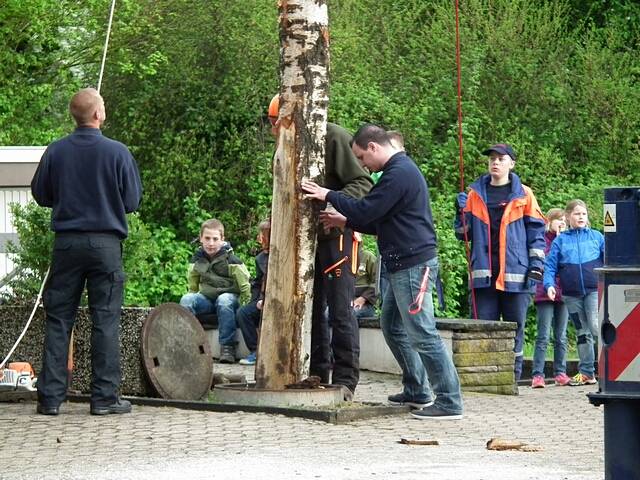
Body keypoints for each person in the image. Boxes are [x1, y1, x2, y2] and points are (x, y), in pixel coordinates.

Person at [302, 123, 463, 420]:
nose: (363, 165)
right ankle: (417, 390)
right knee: (393, 328)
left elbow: (366, 209)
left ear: (374, 147)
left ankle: (450, 401)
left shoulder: (399, 173)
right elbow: (377, 222)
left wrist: (328, 194)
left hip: (413, 265)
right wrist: (345, 222)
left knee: (423, 333)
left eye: (363, 158)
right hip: (396, 264)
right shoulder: (394, 173)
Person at [30, 87, 143, 416]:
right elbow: (132, 201)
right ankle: (104, 399)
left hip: (66, 244)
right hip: (105, 245)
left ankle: (50, 399)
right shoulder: (118, 152)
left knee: (58, 320)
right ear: (98, 114)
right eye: (103, 105)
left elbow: (41, 194)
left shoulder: (56, 151)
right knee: (105, 320)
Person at [268, 95, 373, 394]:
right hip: (303, 241)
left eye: (281, 122)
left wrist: (331, 201)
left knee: (341, 310)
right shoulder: (285, 148)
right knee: (309, 310)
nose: (277, 129)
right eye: (275, 124)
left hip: (337, 235)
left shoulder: (334, 137)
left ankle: (345, 380)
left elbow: (363, 184)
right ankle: (317, 373)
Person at [454, 143, 545, 381]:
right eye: (492, 159)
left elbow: (536, 232)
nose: (495, 162)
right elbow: (463, 233)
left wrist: (536, 266)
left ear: (511, 164)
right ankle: (485, 379)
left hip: (517, 275)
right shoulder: (474, 195)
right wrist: (460, 212)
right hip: (484, 276)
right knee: (483, 330)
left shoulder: (524, 195)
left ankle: (511, 379)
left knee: (515, 330)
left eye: (501, 159)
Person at [544, 199, 604, 386]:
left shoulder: (596, 237)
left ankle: (610, 369)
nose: (581, 217)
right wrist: (549, 285)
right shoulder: (560, 240)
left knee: (596, 326)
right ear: (568, 217)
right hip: (571, 294)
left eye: (584, 214)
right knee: (582, 332)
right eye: (577, 214)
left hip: (594, 290)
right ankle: (587, 373)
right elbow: (550, 266)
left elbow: (609, 261)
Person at [179, 218, 250, 364]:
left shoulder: (232, 260)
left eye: (215, 239)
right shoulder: (197, 259)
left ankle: (227, 347)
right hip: (207, 299)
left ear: (222, 239)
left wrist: (246, 307)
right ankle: (189, 345)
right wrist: (193, 296)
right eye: (207, 238)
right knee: (186, 299)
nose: (211, 243)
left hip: (228, 300)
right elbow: (193, 284)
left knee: (224, 300)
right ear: (201, 238)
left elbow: (245, 286)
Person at [531, 208, 571, 388]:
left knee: (561, 336)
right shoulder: (542, 239)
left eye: (564, 220)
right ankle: (537, 375)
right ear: (550, 221)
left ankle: (560, 373)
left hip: (564, 293)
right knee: (543, 335)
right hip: (544, 293)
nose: (562, 223)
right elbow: (545, 263)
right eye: (558, 220)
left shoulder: (567, 240)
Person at [236, 219, 270, 366]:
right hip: (262, 300)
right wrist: (256, 301)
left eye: (261, 235)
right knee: (243, 313)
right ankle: (256, 351)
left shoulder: (281, 255)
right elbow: (258, 283)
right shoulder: (260, 258)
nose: (258, 239)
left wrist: (266, 300)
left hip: (278, 299)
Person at [353, 247, 378, 320]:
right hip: (344, 302)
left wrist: (364, 298)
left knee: (349, 313)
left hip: (365, 304)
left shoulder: (367, 256)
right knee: (326, 314)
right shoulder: (342, 258)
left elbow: (378, 282)